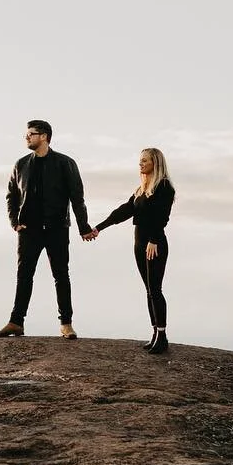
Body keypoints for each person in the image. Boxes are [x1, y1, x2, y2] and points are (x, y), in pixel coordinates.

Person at [0, 120, 93, 339]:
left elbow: (77, 197)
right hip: (29, 230)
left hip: (57, 228)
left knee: (61, 275)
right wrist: (14, 222)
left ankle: (66, 324)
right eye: (26, 134)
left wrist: (83, 227)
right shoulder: (20, 164)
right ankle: (16, 322)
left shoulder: (65, 163)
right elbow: (12, 196)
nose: (27, 137)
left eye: (31, 134)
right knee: (24, 275)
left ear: (44, 136)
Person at [83, 147, 175, 353]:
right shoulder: (142, 188)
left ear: (155, 163)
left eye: (145, 161)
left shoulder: (164, 187)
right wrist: (99, 227)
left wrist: (154, 239)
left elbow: (162, 217)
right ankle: (155, 333)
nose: (140, 164)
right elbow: (124, 210)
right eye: (140, 161)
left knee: (156, 289)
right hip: (139, 242)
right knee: (149, 290)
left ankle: (162, 336)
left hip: (155, 244)